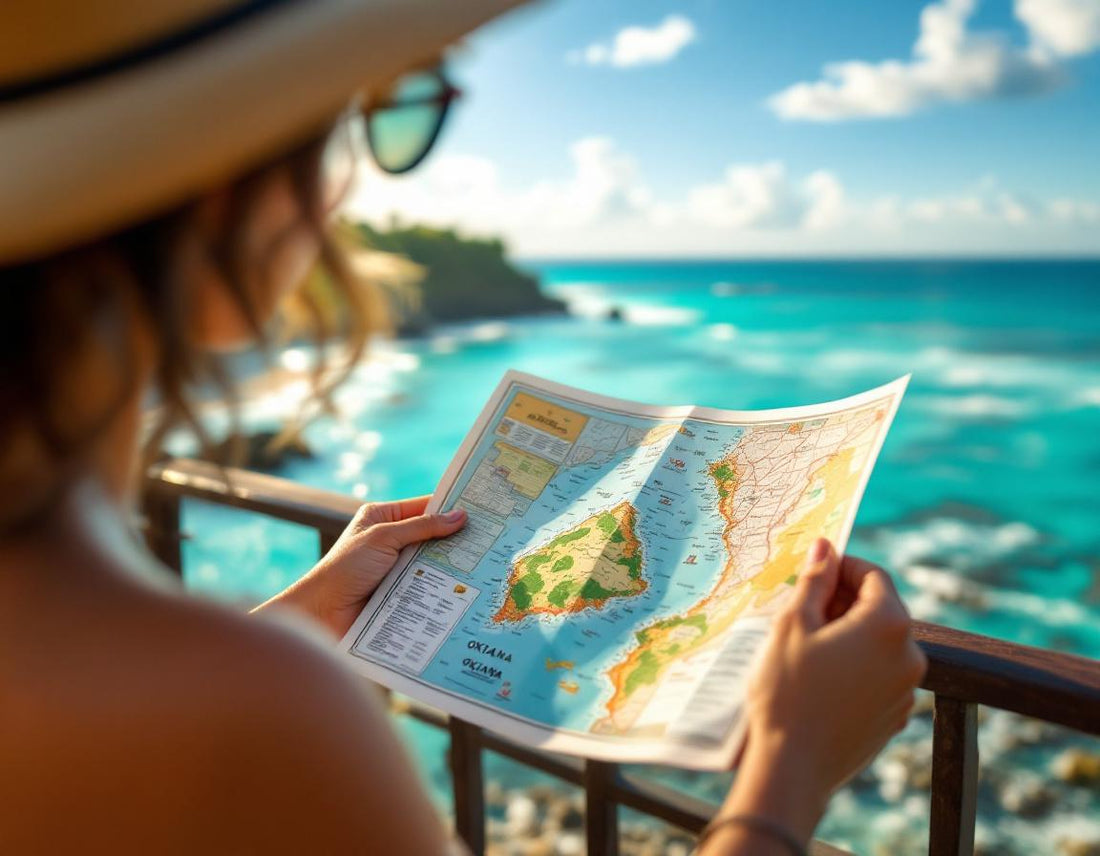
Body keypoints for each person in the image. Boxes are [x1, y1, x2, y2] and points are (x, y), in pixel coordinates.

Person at [0, 2, 927, 853]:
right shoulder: (257, 712)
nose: (340, 191)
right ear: (221, 190)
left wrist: (296, 619)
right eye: (346, 123)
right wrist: (788, 771)